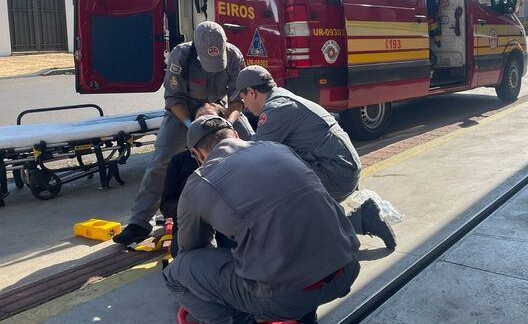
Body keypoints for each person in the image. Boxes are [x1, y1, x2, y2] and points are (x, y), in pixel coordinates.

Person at [163, 115, 360, 324]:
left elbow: (191, 250)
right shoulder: (278, 149)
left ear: (197, 154)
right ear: (235, 134)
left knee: (176, 274)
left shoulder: (199, 181)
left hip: (288, 297)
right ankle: (306, 318)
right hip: (346, 269)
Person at [114, 22, 254, 245]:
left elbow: (237, 100)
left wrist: (227, 124)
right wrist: (193, 127)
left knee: (252, 145)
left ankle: (258, 206)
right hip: (185, 112)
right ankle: (140, 222)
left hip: (218, 109)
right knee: (162, 158)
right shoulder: (181, 54)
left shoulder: (234, 56)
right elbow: (173, 99)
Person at [235, 66, 397, 250]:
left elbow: (255, 155)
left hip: (337, 173)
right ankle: (355, 220)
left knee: (277, 186)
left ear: (252, 92)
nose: (245, 105)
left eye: (243, 99)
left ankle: (356, 224)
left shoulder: (277, 109)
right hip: (340, 167)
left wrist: (231, 137)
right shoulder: (283, 98)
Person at [159, 103, 235, 257]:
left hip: (226, 222)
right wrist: (193, 209)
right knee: (183, 254)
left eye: (210, 118)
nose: (204, 122)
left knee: (233, 250)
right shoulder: (179, 161)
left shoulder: (234, 158)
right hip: (192, 223)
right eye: (200, 118)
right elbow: (166, 204)